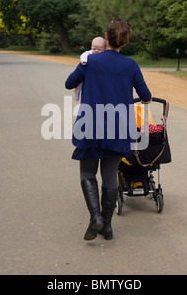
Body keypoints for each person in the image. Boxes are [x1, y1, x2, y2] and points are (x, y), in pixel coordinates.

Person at [65, 19, 152, 241]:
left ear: (106, 37)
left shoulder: (91, 61)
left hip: (90, 125)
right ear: (125, 41)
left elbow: (69, 83)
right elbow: (146, 96)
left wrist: (84, 63)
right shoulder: (130, 65)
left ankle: (96, 217)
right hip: (119, 126)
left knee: (87, 172)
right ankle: (108, 227)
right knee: (110, 175)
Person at [73, 37, 107, 101]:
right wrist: (84, 61)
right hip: (86, 71)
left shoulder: (104, 55)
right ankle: (76, 94)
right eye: (94, 48)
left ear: (104, 49)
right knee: (79, 83)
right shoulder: (89, 53)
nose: (96, 50)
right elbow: (83, 55)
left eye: (99, 49)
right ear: (91, 47)